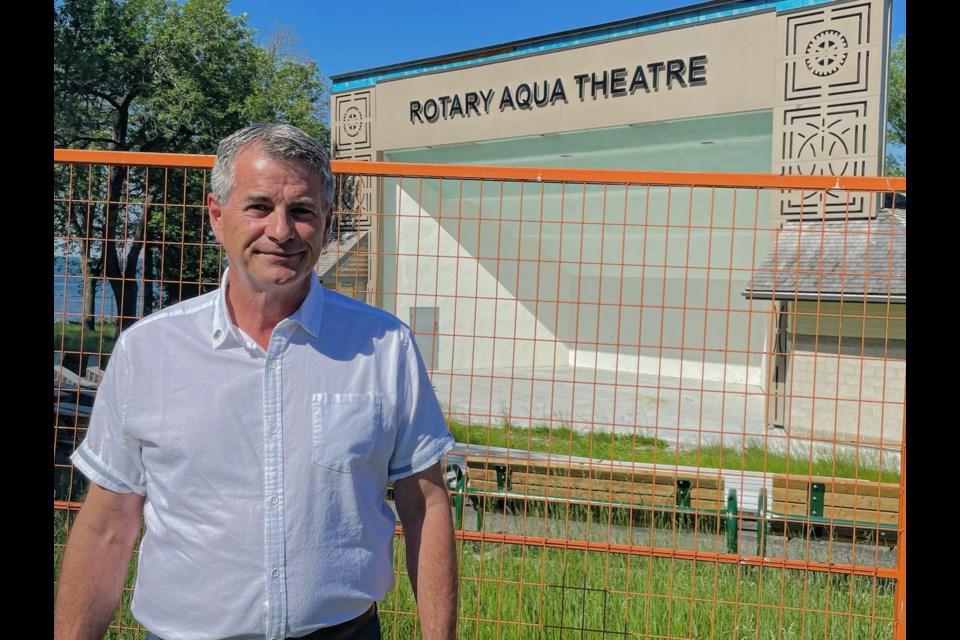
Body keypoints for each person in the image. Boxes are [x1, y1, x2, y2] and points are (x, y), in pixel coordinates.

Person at [54, 123, 459, 640]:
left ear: (328, 222)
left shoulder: (385, 347)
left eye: (303, 211)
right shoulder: (148, 352)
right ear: (217, 217)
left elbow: (425, 505)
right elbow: (107, 526)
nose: (282, 230)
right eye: (259, 206)